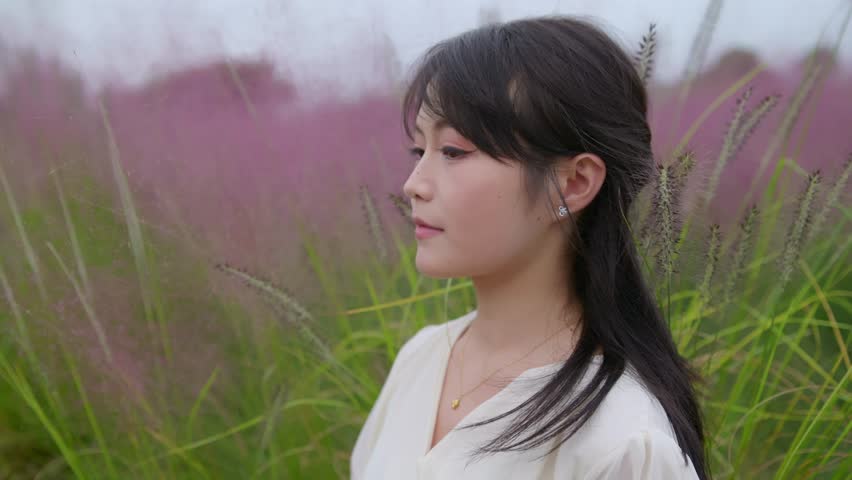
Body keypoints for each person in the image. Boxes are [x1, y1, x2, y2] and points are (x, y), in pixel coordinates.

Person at [350, 14, 709, 480]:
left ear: (575, 182)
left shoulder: (623, 441)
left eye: (454, 152)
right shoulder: (420, 359)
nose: (413, 185)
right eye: (420, 151)